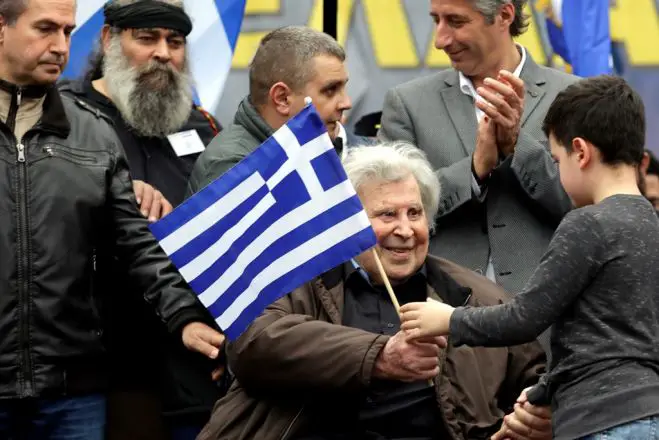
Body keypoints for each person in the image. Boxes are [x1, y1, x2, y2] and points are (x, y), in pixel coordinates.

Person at [197, 142, 551, 440]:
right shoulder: (297, 276)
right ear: (349, 226)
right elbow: (252, 342)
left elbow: (534, 379)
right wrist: (380, 356)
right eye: (386, 215)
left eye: (414, 213)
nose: (405, 229)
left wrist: (537, 414)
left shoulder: (475, 296)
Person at [0, 0, 224, 438]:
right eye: (46, 28)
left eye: (66, 31)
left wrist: (187, 317)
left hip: (75, 387)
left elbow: (138, 245)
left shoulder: (93, 133)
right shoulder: (87, 110)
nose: (60, 45)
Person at [400, 76, 659, 440]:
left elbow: (524, 318)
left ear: (581, 153)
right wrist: (543, 392)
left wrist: (450, 319)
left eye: (556, 159)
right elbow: (605, 335)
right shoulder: (651, 222)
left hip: (600, 420)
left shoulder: (585, 223)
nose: (557, 170)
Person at [378, 0, 576, 296]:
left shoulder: (573, 96)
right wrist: (473, 170)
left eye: (456, 22)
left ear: (504, 15)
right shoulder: (407, 104)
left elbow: (588, 209)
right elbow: (385, 210)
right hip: (441, 317)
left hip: (548, 320)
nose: (440, 40)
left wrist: (516, 146)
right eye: (436, 20)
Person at [187, 25, 353, 194]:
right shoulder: (233, 168)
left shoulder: (315, 144)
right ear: (282, 98)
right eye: (330, 90)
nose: (346, 103)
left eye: (343, 88)